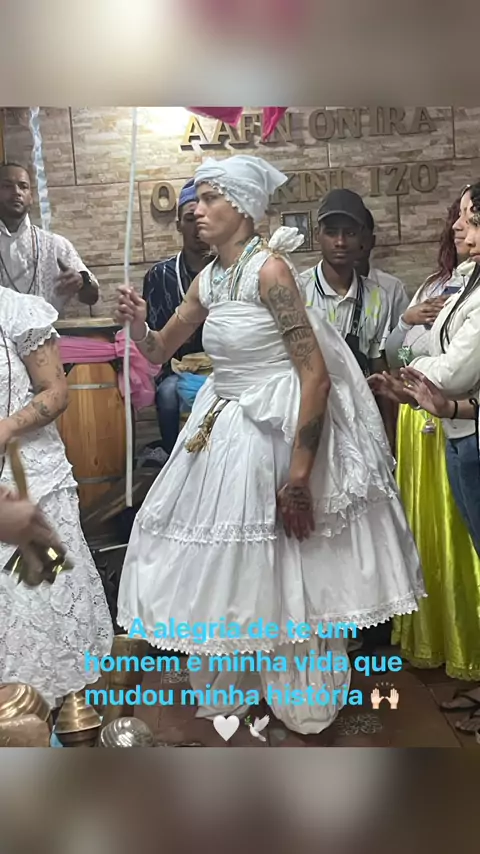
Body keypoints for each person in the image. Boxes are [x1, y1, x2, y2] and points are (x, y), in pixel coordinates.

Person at [114, 154, 424, 739]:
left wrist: (299, 477)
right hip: (224, 426)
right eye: (195, 200)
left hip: (276, 429)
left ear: (243, 208)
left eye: (210, 199)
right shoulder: (210, 278)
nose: (196, 210)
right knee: (236, 560)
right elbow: (158, 350)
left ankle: (298, 686)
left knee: (289, 562)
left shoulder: (271, 271)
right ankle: (247, 673)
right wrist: (137, 325)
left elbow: (315, 376)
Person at [368, 196, 480, 688]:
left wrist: (415, 375)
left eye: (471, 220)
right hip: (449, 424)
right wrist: (409, 336)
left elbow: (454, 371)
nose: (459, 229)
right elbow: (405, 349)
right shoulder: (449, 284)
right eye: (458, 219)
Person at [0, 287, 113, 708]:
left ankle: (62, 710)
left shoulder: (18, 311)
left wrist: (8, 427)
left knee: (44, 601)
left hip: (35, 479)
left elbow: (56, 391)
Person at [300, 189, 396, 445]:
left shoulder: (377, 297)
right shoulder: (298, 292)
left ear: (363, 238)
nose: (340, 242)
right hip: (310, 417)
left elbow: (379, 366)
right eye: (331, 232)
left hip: (361, 421)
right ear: (317, 235)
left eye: (350, 233)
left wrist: (390, 438)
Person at [143, 179, 211, 454]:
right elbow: (157, 343)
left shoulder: (228, 271)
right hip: (177, 369)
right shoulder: (160, 275)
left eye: (203, 217)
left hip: (224, 368)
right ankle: (172, 461)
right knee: (169, 393)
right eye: (190, 219)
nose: (198, 226)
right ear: (179, 225)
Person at [0, 162, 99, 312]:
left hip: (48, 327)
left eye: (23, 186)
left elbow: (92, 297)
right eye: (7, 186)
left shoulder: (55, 245)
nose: (16, 192)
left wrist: (82, 281)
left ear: (31, 197)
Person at [355, 208, 409, 330]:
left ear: (372, 241)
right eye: (351, 235)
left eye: (362, 238)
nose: (357, 245)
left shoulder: (393, 289)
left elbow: (406, 338)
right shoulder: (312, 289)